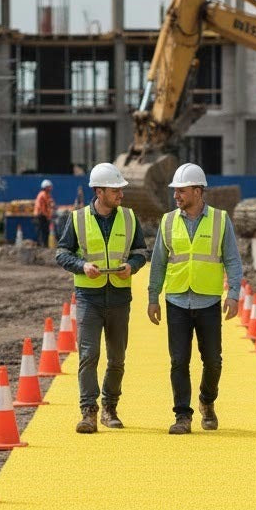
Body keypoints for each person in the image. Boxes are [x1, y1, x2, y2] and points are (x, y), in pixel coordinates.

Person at [147, 162, 243, 435]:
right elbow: (158, 263)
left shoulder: (220, 220)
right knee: (179, 360)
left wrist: (233, 294)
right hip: (176, 299)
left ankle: (207, 401)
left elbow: (233, 261)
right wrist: (153, 297)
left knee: (213, 360)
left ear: (198, 191)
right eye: (175, 191)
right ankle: (182, 415)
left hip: (208, 301)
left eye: (182, 190)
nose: (176, 196)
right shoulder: (167, 221)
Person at [56, 162, 147, 433]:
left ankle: (110, 408)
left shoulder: (129, 218)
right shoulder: (77, 219)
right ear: (99, 191)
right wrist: (82, 266)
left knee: (117, 358)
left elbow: (141, 252)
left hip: (119, 297)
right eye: (115, 189)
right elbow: (62, 253)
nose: (120, 193)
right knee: (88, 355)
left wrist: (132, 265)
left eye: (121, 189)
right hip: (89, 297)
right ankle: (89, 412)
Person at [33, 179, 55, 247]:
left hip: (43, 216)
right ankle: (43, 247)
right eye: (49, 187)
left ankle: (44, 246)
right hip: (41, 216)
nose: (51, 188)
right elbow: (43, 208)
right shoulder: (43, 195)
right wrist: (48, 216)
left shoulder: (46, 194)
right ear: (46, 187)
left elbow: (50, 203)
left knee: (45, 232)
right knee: (43, 232)